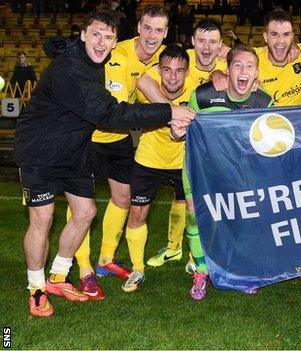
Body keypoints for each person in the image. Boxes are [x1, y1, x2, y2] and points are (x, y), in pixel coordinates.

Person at [14, 10, 195, 317]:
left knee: (85, 213)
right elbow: (109, 114)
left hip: (74, 151)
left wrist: (172, 110)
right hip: (39, 151)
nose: (101, 42)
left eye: (108, 37)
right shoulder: (69, 70)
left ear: (116, 41)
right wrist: (168, 113)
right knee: (42, 218)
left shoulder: (94, 62)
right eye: (95, 34)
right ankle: (36, 288)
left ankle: (58, 276)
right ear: (83, 35)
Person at [73, 5, 170, 292]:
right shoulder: (121, 54)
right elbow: (115, 108)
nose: (153, 35)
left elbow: (159, 87)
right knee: (82, 204)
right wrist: (169, 113)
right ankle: (84, 266)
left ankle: (106, 257)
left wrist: (225, 53)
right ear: (139, 27)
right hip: (86, 138)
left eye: (159, 30)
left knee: (124, 197)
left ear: (166, 33)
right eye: (148, 28)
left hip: (117, 139)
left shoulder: (156, 60)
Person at [176, 43, 273, 299]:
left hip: (238, 173)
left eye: (249, 66)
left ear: (256, 73)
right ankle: (201, 270)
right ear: (227, 70)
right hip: (201, 168)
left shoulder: (264, 100)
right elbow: (182, 129)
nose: (243, 71)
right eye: (238, 65)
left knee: (241, 219)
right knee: (196, 217)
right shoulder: (203, 95)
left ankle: (240, 271)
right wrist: (177, 131)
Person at [137, 18, 227, 270]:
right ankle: (174, 249)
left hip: (200, 155)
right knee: (181, 204)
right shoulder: (180, 60)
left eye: (212, 43)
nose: (206, 48)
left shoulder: (227, 66)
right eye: (201, 41)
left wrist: (219, 72)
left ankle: (194, 257)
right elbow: (142, 79)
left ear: (220, 46)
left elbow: (251, 77)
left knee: (193, 207)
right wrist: (172, 111)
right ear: (192, 42)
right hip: (162, 147)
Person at [119, 45, 192, 292]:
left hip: (184, 161)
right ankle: (137, 269)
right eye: (167, 70)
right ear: (158, 69)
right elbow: (137, 79)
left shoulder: (197, 90)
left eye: (179, 71)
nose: (173, 77)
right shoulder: (146, 85)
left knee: (193, 212)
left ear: (187, 72)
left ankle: (193, 261)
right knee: (137, 213)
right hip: (148, 160)